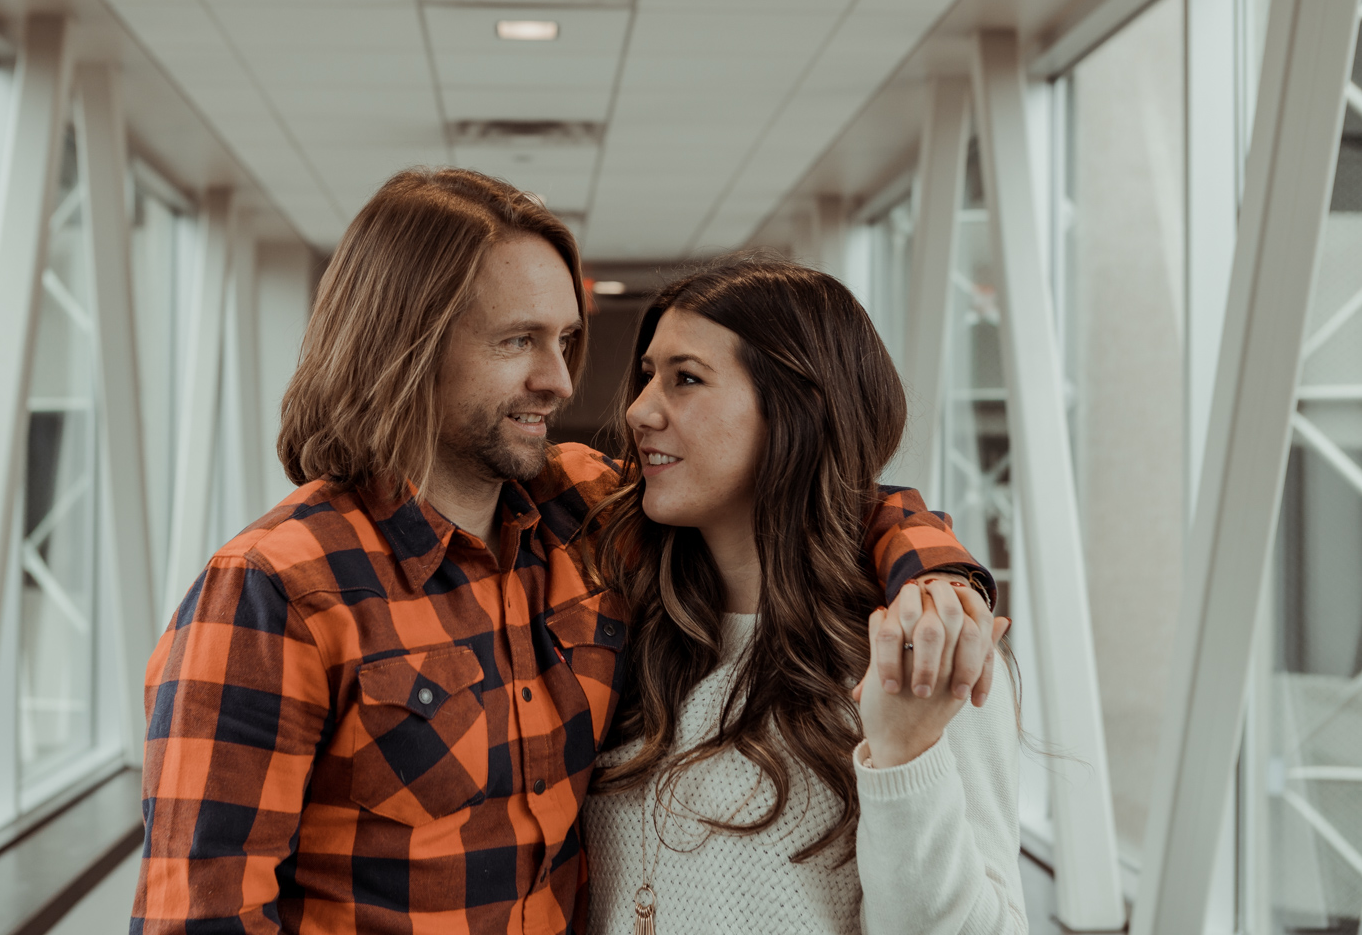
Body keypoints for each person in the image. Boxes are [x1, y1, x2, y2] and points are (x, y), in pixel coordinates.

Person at [130, 168, 998, 935]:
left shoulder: (578, 513)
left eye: (564, 339)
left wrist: (938, 580)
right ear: (407, 348)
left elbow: (820, 488)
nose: (563, 381)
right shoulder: (274, 588)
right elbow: (199, 916)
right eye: (519, 341)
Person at [583, 260, 1024, 934]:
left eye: (686, 379)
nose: (639, 410)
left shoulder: (919, 651)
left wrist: (905, 753)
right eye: (647, 375)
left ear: (796, 410)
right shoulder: (625, 622)